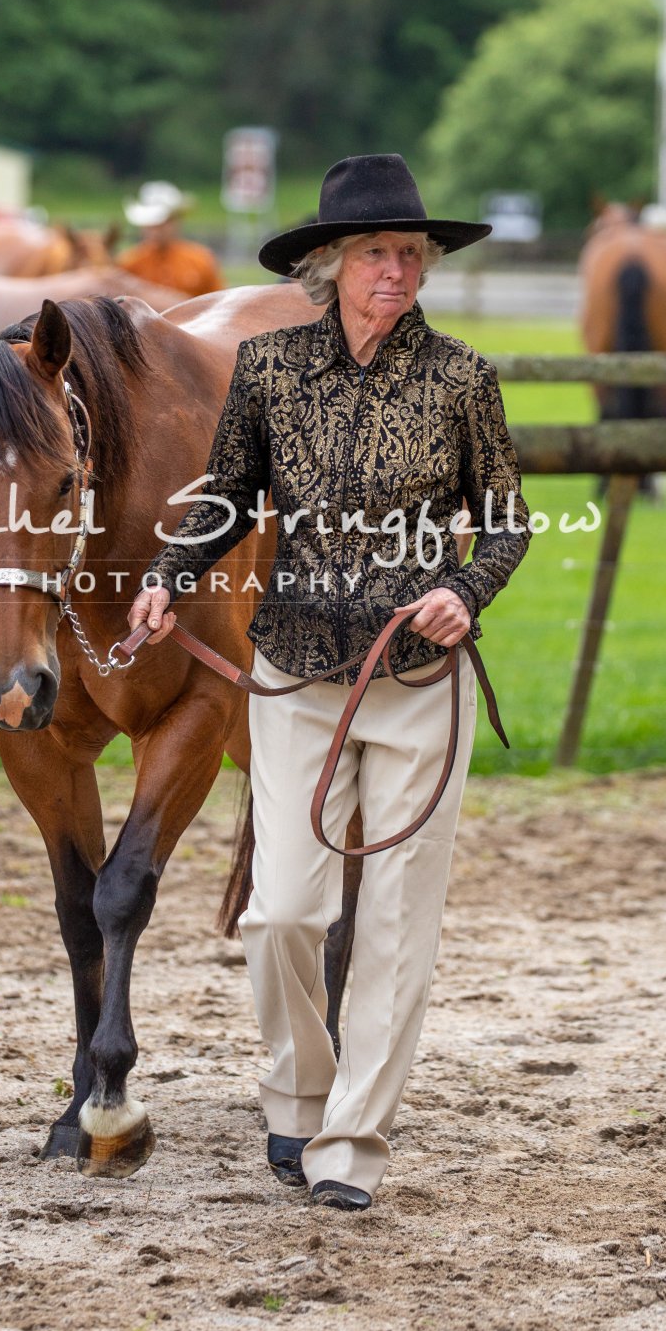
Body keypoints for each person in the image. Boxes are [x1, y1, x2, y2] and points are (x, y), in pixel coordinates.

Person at [126, 154, 531, 1212]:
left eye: (410, 253)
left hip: (416, 677)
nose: (395, 270)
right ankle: (298, 1095)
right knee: (281, 913)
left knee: (394, 922)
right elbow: (226, 496)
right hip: (296, 670)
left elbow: (505, 522)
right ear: (329, 265)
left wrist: (464, 590)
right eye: (374, 253)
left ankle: (351, 1142)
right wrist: (166, 578)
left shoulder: (462, 380)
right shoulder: (268, 371)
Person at [117, 180, 227, 297]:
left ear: (176, 221)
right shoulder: (128, 262)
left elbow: (219, 300)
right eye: (150, 224)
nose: (155, 230)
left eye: (161, 223)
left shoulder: (201, 260)